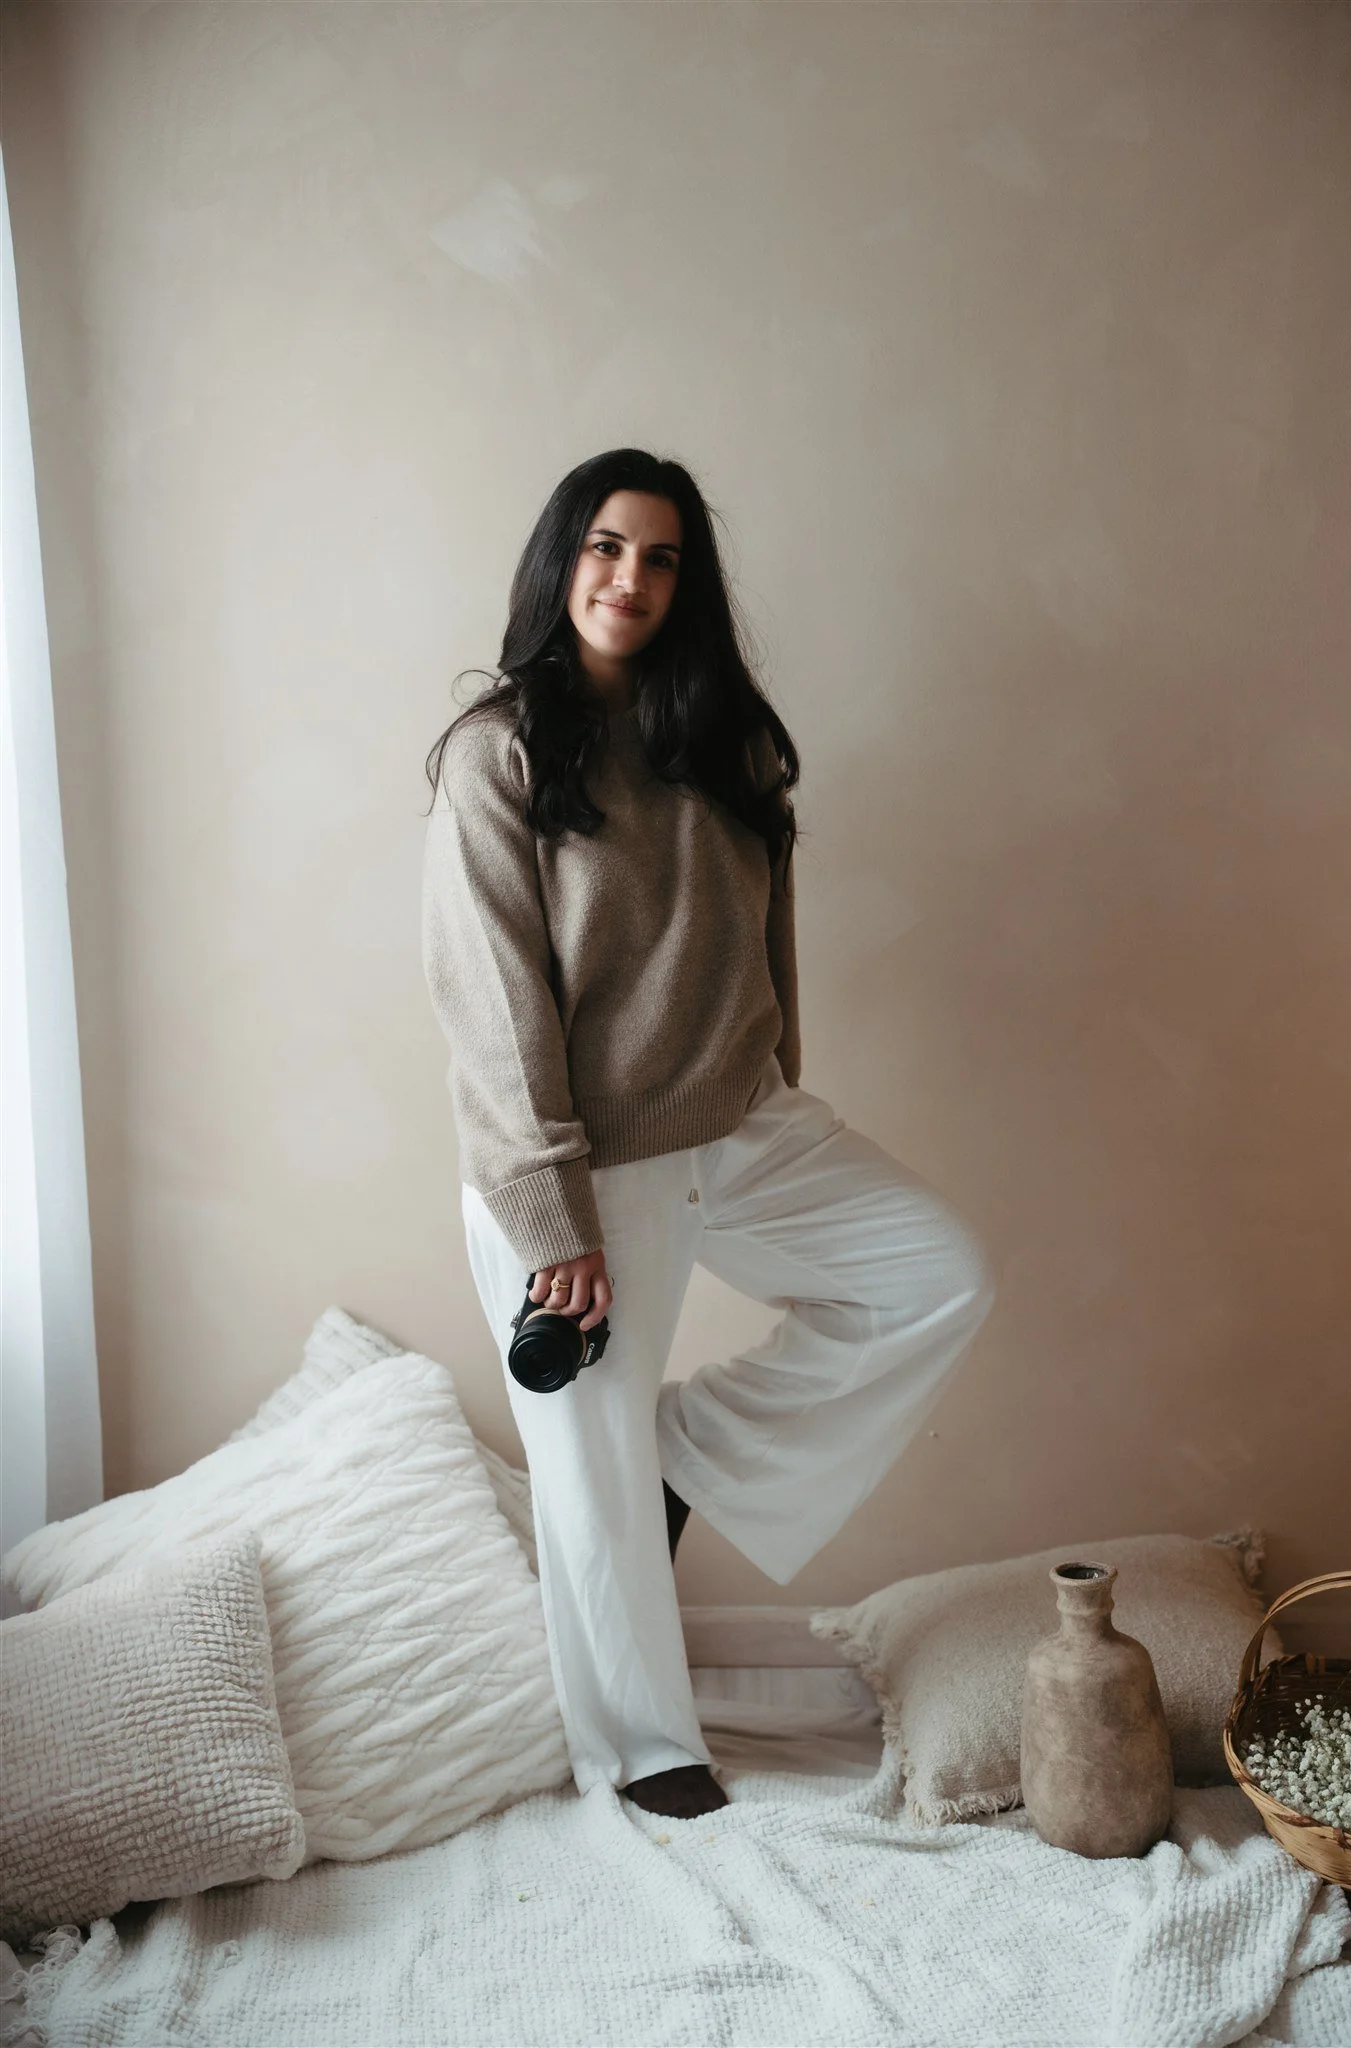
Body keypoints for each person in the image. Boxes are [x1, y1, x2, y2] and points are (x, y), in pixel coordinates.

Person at [421, 447, 995, 1821]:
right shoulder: (497, 754)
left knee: (938, 1277)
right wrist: (551, 1218)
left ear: (689, 583)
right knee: (587, 1472)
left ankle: (689, 1460)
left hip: (741, 1124)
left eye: (660, 556)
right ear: (564, 562)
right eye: (606, 546)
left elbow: (763, 939)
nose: (629, 577)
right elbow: (492, 1009)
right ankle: (643, 1753)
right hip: (579, 1159)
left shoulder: (724, 739)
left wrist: (783, 1082)